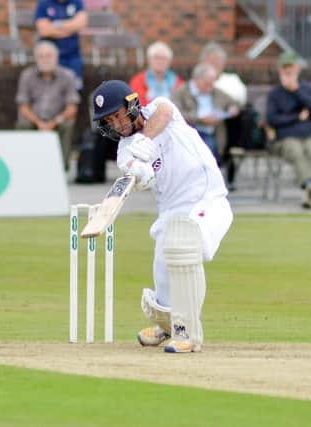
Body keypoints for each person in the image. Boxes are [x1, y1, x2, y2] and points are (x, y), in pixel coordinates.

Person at [91, 80, 233, 353]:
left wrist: (146, 140)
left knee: (184, 248)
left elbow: (165, 112)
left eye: (118, 115)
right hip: (171, 210)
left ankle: (188, 333)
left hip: (207, 199)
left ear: (132, 105)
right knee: (163, 269)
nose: (117, 124)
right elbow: (136, 170)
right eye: (109, 120)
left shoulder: (159, 108)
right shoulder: (124, 151)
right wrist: (140, 171)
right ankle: (168, 326)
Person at [199, 41, 262, 190]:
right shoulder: (199, 81)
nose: (215, 64)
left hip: (231, 123)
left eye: (218, 61)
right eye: (211, 60)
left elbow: (239, 101)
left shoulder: (231, 80)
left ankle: (232, 151)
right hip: (204, 124)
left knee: (242, 116)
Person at [266, 52, 311, 209]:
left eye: (290, 67)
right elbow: (272, 119)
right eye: (284, 68)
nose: (288, 71)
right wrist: (297, 117)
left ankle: (309, 192)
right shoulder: (275, 94)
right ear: (280, 70)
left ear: (297, 68)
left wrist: (296, 90)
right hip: (286, 139)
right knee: (295, 150)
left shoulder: (308, 89)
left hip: (310, 135)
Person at [15, 41, 80, 169]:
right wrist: (39, 123)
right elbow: (23, 106)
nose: (45, 59)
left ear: (56, 57)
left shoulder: (68, 75)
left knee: (68, 124)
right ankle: (24, 165)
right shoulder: (27, 75)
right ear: (36, 58)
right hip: (34, 120)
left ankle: (62, 167)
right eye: (41, 56)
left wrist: (53, 122)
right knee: (23, 124)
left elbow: (72, 107)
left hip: (58, 119)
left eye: (48, 55)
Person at [171, 63, 240, 163]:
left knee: (212, 150)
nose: (210, 87)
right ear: (196, 80)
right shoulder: (181, 92)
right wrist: (200, 119)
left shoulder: (216, 92)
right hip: (190, 133)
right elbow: (176, 114)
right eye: (207, 84)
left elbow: (235, 103)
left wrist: (232, 107)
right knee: (205, 151)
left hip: (213, 133)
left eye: (212, 83)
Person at [34, 0, 88, 90]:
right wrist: (70, 28)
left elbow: (81, 23)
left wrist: (55, 24)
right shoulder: (44, 3)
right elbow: (43, 30)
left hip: (73, 55)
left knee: (75, 88)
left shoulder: (77, 2)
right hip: (50, 56)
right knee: (52, 90)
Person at [129, 41, 183, 106]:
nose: (160, 61)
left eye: (163, 58)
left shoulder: (178, 82)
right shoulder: (137, 81)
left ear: (169, 61)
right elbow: (134, 105)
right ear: (149, 60)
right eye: (156, 57)